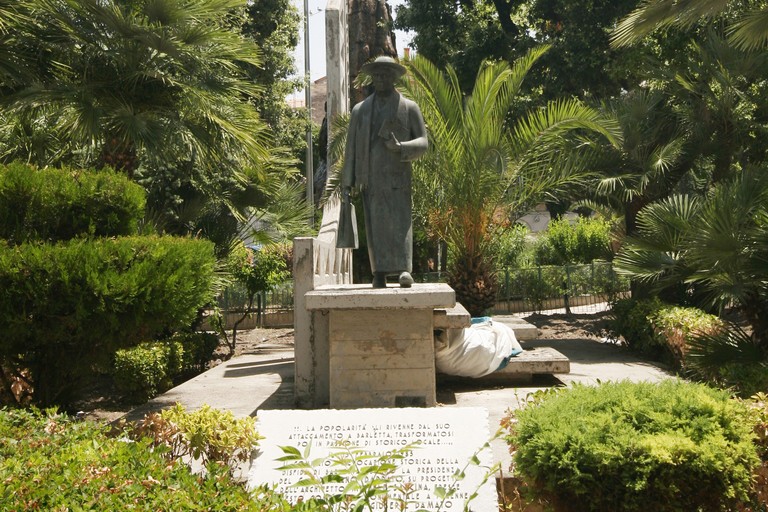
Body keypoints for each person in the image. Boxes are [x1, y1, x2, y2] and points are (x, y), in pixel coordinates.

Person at [339, 56, 428, 288]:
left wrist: (402, 148)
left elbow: (423, 142)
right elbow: (351, 150)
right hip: (371, 179)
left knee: (400, 224)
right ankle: (378, 272)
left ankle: (404, 271)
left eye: (385, 74)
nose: (380, 78)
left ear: (393, 78)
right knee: (375, 226)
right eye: (377, 75)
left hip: (398, 178)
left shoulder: (409, 108)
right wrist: (346, 183)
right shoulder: (361, 111)